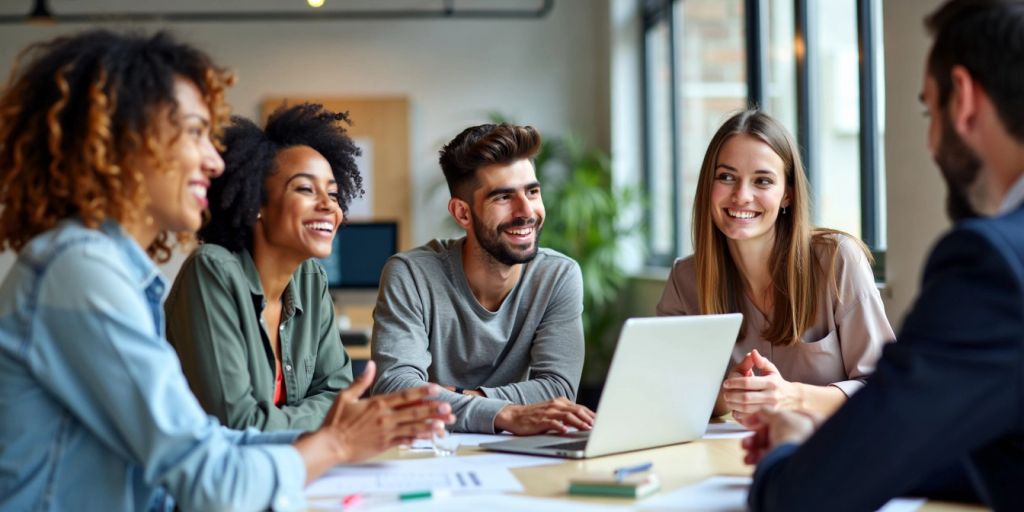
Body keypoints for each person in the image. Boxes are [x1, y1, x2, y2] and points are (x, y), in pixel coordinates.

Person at [0, 30, 451, 511]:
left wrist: (348, 434)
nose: (216, 162)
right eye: (195, 133)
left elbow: (207, 444)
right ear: (125, 142)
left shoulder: (109, 270)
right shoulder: (81, 271)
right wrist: (335, 442)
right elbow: (211, 479)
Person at [743, 1, 1024, 510]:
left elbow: (802, 501)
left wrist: (786, 452)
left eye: (928, 111)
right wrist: (831, 445)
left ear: (962, 99)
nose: (931, 139)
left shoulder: (995, 264)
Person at [657, 110, 893, 424]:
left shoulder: (838, 261)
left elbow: (886, 390)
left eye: (762, 181)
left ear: (787, 195)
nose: (741, 196)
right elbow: (664, 399)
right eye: (726, 177)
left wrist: (790, 396)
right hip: (732, 459)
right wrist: (730, 392)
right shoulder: (685, 279)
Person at [371, 123, 596, 434]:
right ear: (463, 213)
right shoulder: (410, 274)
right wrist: (508, 414)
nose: (526, 211)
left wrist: (460, 396)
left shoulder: (557, 276)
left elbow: (558, 390)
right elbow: (396, 391)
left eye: (532, 191)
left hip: (517, 453)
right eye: (503, 197)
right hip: (429, 451)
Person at [166, 104, 360, 431]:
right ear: (257, 204)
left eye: (332, 193)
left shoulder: (312, 281)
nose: (329, 206)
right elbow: (237, 423)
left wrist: (318, 417)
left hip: (292, 470)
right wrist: (323, 419)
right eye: (305, 188)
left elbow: (340, 396)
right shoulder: (212, 271)